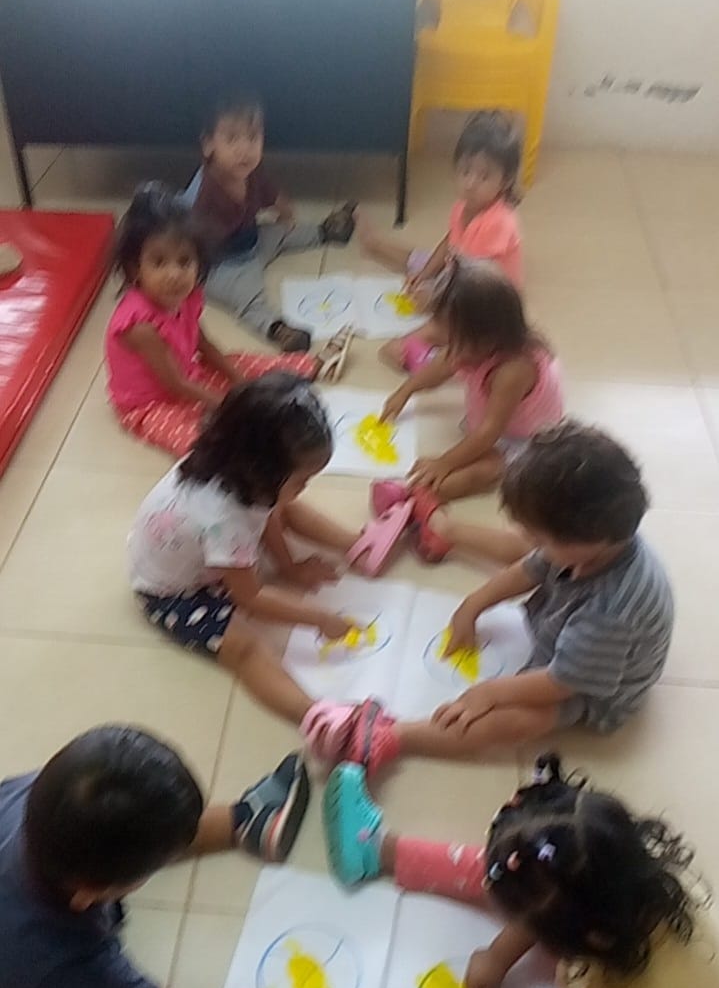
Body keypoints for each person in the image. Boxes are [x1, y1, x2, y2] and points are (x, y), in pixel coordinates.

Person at [324, 754, 719, 988]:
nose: (513, 925)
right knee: (518, 872)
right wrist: (497, 957)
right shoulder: (605, 866)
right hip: (600, 939)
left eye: (529, 925)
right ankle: (376, 849)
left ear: (580, 941)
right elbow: (550, 895)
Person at [300, 421, 674, 770]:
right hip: (577, 643)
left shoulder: (610, 613)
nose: (529, 542)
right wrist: (472, 606)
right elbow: (528, 569)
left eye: (538, 538)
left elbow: (564, 682)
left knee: (524, 719)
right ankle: (444, 531)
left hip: (595, 690)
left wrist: (491, 693)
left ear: (587, 541)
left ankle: (394, 736)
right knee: (530, 570)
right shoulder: (592, 545)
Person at [0, 725, 320, 988]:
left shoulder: (36, 795)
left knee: (127, 833)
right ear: (88, 894)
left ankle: (244, 819)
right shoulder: (71, 960)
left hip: (21, 953)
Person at [128, 372, 365, 722]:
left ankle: (359, 544)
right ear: (263, 470)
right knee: (246, 647)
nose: (306, 487)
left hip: (187, 544)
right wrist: (319, 619)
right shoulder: (226, 519)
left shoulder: (231, 466)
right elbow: (251, 597)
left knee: (286, 506)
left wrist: (289, 567)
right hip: (171, 595)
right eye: (302, 480)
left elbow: (267, 514)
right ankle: (319, 718)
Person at [105, 183, 352, 459]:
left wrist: (239, 380)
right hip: (152, 404)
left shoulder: (186, 297)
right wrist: (235, 405)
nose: (174, 275)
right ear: (135, 269)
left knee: (240, 362)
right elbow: (175, 385)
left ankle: (313, 365)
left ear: (200, 264)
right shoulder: (140, 326)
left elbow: (203, 344)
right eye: (159, 263)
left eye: (184, 262)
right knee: (200, 446)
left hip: (190, 374)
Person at [376, 259, 563, 516]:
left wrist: (444, 463)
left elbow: (489, 433)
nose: (450, 352)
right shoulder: (474, 346)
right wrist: (405, 391)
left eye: (456, 343)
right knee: (466, 452)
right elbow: (439, 368)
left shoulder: (514, 370)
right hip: (492, 418)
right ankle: (421, 490)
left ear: (488, 338)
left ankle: (414, 498)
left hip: (525, 438)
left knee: (485, 469)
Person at [183, 92, 356, 352]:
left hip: (251, 239)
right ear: (208, 145)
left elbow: (272, 194)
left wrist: (285, 211)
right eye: (232, 139)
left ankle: (326, 230)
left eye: (253, 138)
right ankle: (276, 328)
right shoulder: (202, 194)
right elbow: (183, 237)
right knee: (248, 296)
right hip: (221, 265)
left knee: (283, 232)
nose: (244, 150)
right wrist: (189, 272)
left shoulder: (250, 171)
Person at [356, 109, 523, 372]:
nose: (470, 183)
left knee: (433, 328)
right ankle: (376, 245)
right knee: (421, 261)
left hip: (485, 304)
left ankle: (426, 359)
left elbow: (473, 285)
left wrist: (433, 298)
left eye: (484, 176)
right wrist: (424, 274)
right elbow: (449, 244)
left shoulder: (499, 222)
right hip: (460, 274)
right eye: (465, 171)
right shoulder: (463, 206)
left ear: (506, 180)